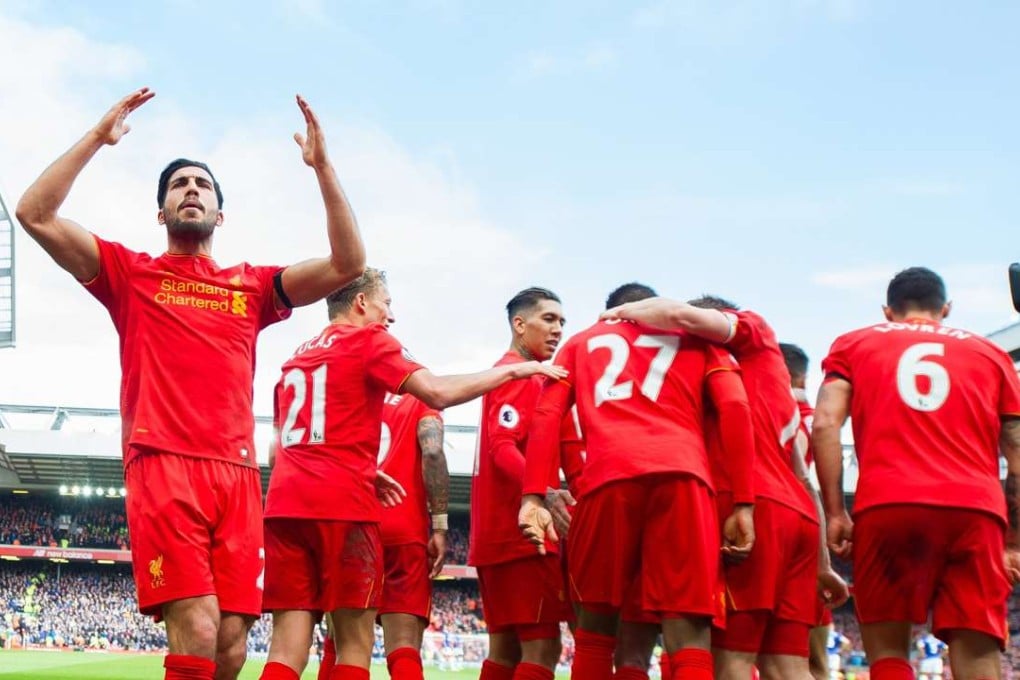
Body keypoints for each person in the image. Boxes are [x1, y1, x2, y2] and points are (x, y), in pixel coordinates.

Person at [15, 88, 367, 680]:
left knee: (231, 643)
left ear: (220, 213)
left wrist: (323, 168)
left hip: (234, 472)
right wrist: (98, 139)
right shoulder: (131, 273)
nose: (191, 191)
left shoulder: (252, 287)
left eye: (201, 185)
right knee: (198, 629)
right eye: (179, 186)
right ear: (162, 212)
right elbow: (35, 214)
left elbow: (347, 266)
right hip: (163, 463)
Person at [260, 269, 566, 680]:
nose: (391, 315)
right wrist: (514, 371)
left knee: (285, 649)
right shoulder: (370, 340)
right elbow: (437, 393)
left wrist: (364, 469)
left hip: (284, 507)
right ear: (362, 303)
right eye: (386, 303)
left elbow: (282, 449)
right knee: (355, 645)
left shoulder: (296, 357)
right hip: (345, 507)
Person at [600, 295, 848, 680]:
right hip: (797, 518)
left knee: (727, 662)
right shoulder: (768, 368)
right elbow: (803, 477)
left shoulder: (719, 351)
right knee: (787, 667)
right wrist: (823, 564)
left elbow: (678, 314)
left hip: (746, 507)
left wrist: (616, 315)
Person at [519, 284, 760, 680]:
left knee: (596, 632)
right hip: (684, 476)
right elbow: (735, 406)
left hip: (606, 480)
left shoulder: (580, 343)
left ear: (611, 312)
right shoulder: (694, 339)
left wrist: (532, 496)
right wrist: (744, 502)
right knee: (688, 634)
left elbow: (547, 414)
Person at [812, 266, 1020, 680]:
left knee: (888, 652)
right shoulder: (991, 354)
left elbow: (823, 425)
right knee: (976, 644)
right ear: (946, 308)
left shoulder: (855, 343)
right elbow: (1016, 447)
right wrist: (1014, 538)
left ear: (887, 311)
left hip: (888, 501)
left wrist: (836, 512)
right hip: (974, 508)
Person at [469, 287, 573, 680]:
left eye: (562, 322)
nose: (558, 329)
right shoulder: (521, 376)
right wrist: (543, 491)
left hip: (495, 536)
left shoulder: (507, 374)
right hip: (522, 538)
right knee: (543, 646)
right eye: (548, 319)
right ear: (519, 324)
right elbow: (501, 446)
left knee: (506, 649)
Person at [376, 391, 450, 680]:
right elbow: (432, 453)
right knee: (404, 648)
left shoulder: (358, 397)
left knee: (344, 644)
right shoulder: (422, 398)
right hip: (402, 527)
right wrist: (440, 526)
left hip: (355, 525)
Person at [780, 341, 834, 680]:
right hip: (806, 536)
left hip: (769, 526)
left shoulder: (764, 408)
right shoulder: (815, 421)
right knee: (811, 663)